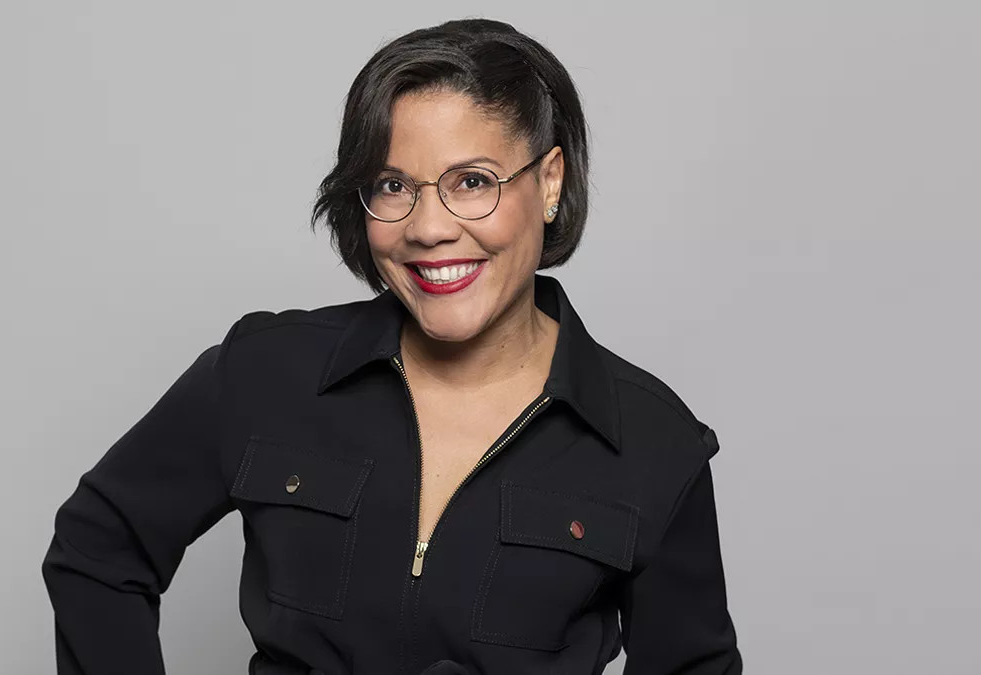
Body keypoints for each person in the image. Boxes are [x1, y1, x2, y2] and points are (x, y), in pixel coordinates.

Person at [41, 17, 742, 675]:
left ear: (550, 181)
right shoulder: (267, 371)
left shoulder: (653, 442)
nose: (428, 227)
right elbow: (98, 543)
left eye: (473, 182)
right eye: (393, 185)